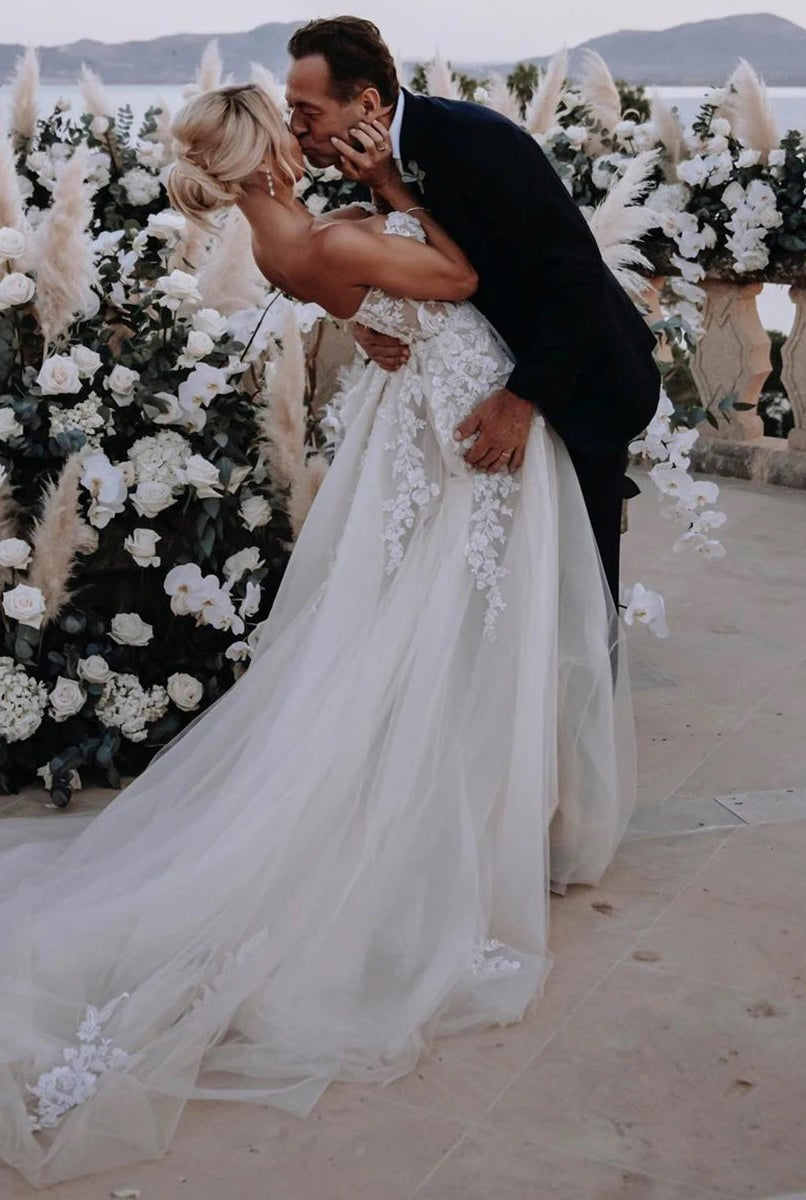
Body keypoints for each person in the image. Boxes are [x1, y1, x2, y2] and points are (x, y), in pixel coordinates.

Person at [0, 81, 635, 1188]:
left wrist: (372, 254)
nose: (305, 135)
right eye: (288, 125)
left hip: (417, 424)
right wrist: (393, 190)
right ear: (263, 158)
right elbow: (460, 279)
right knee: (445, 630)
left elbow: (369, 302)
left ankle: (469, 805)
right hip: (454, 439)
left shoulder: (285, 235)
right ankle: (442, 831)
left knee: (417, 632)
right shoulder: (326, 232)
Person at [285, 17, 661, 605]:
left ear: (368, 104)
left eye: (308, 111)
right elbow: (402, 262)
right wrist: (367, 321)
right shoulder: (367, 159)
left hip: (577, 383)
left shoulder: (477, 142)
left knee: (573, 593)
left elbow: (576, 273)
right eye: (291, 110)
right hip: (474, 390)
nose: (295, 128)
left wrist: (522, 397)